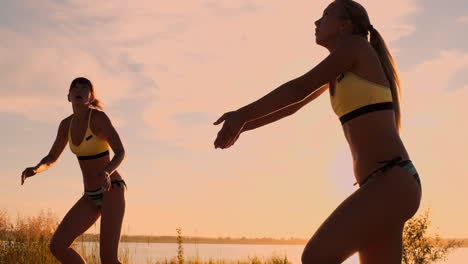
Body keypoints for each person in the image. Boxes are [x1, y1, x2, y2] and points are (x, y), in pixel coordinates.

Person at [213, 0, 422, 263]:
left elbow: (297, 88)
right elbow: (293, 106)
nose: (316, 22)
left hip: (391, 180)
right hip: (386, 184)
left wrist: (241, 114)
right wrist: (243, 126)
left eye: (325, 15)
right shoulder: (340, 67)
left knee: (316, 257)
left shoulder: (356, 46)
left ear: (346, 25)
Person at [21, 77, 127, 264]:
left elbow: (120, 152)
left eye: (84, 88)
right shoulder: (65, 125)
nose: (79, 90)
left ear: (91, 96)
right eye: (74, 88)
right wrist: (36, 169)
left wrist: (107, 171)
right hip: (90, 195)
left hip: (111, 188)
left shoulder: (98, 118)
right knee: (58, 246)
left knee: (109, 259)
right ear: (68, 97)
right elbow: (52, 157)